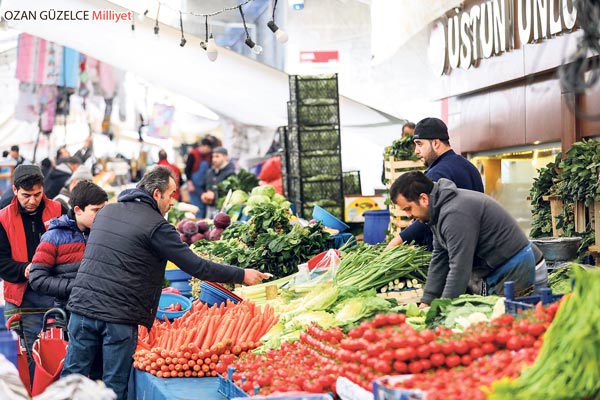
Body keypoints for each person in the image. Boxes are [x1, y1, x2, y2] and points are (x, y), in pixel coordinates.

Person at [61, 166, 269, 399]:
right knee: (113, 387)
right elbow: (197, 266)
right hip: (118, 317)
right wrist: (242, 274)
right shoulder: (157, 226)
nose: (173, 202)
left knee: (72, 380)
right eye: (171, 195)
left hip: (82, 308)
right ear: (157, 193)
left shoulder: (107, 212)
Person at [390, 171, 548, 306]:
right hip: (503, 269)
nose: (408, 215)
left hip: (521, 267)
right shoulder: (437, 213)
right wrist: (427, 300)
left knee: (514, 322)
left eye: (408, 209)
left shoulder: (454, 213)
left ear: (424, 199)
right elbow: (440, 258)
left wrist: (442, 309)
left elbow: (459, 268)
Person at [0, 165, 64, 384]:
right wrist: (26, 269)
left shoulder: (58, 210)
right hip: (20, 298)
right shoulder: (3, 218)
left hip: (54, 296)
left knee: (54, 357)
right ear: (15, 190)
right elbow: (2, 263)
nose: (32, 201)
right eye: (26, 195)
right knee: (25, 360)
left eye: (37, 194)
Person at [386, 117, 484, 251]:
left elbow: (430, 216)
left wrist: (396, 241)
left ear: (436, 143)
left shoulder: (436, 174)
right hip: (474, 247)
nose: (416, 151)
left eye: (420, 144)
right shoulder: (469, 166)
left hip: (450, 251)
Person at [30, 181, 108, 310]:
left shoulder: (104, 234)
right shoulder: (53, 237)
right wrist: (76, 286)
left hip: (101, 309)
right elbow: (37, 279)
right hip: (68, 311)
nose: (101, 215)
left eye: (103, 210)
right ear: (78, 210)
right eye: (95, 210)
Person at [201, 146, 236, 218]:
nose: (214, 159)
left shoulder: (231, 173)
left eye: (217, 156)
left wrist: (215, 195)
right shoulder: (210, 172)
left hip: (224, 210)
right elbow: (205, 187)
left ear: (225, 157)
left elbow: (231, 192)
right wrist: (204, 195)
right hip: (210, 208)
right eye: (213, 156)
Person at [185, 138, 214, 217]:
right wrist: (190, 184)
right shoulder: (193, 154)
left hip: (204, 187)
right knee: (197, 208)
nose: (209, 150)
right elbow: (187, 170)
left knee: (205, 207)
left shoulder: (208, 156)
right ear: (203, 146)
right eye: (208, 148)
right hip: (194, 186)